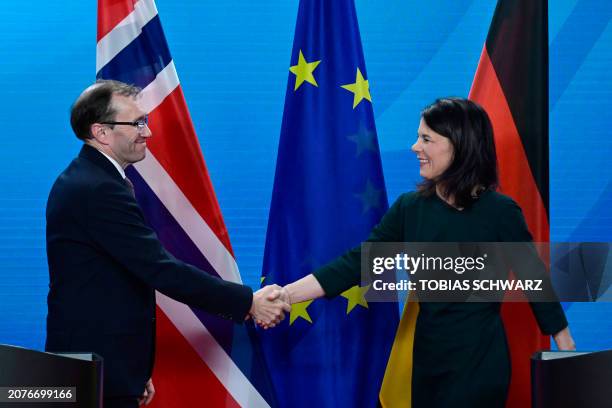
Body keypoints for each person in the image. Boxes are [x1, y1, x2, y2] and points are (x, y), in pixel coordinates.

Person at [260, 98, 575, 407]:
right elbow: (356, 263)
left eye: (426, 138)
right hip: (426, 366)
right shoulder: (410, 209)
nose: (415, 147)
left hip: (480, 367)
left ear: (459, 145)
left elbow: (535, 280)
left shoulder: (501, 212)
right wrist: (285, 295)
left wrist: (567, 351)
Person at [45, 80, 289, 408]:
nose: (147, 133)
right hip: (92, 370)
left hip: (105, 366)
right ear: (101, 132)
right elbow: (159, 268)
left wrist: (130, 370)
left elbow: (112, 280)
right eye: (137, 123)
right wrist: (248, 302)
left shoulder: (92, 179)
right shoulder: (95, 188)